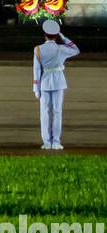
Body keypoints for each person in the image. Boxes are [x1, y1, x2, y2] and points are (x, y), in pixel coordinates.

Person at [33, 19, 81, 151]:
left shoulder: (38, 49)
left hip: (44, 83)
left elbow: (36, 70)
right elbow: (76, 50)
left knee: (44, 113)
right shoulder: (62, 48)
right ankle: (56, 141)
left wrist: (35, 88)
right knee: (57, 112)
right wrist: (63, 37)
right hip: (59, 82)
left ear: (44, 34)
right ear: (56, 35)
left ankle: (46, 142)